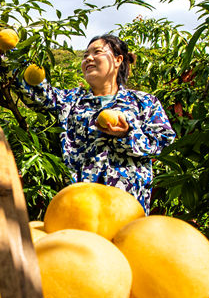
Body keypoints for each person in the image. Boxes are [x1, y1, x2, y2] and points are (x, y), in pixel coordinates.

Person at [19, 34, 176, 213]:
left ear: (118, 60)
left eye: (97, 52)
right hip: (81, 203)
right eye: (85, 55)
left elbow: (163, 141)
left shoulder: (144, 102)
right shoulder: (71, 101)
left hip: (127, 204)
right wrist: (10, 50)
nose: (89, 58)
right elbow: (35, 88)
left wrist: (127, 134)